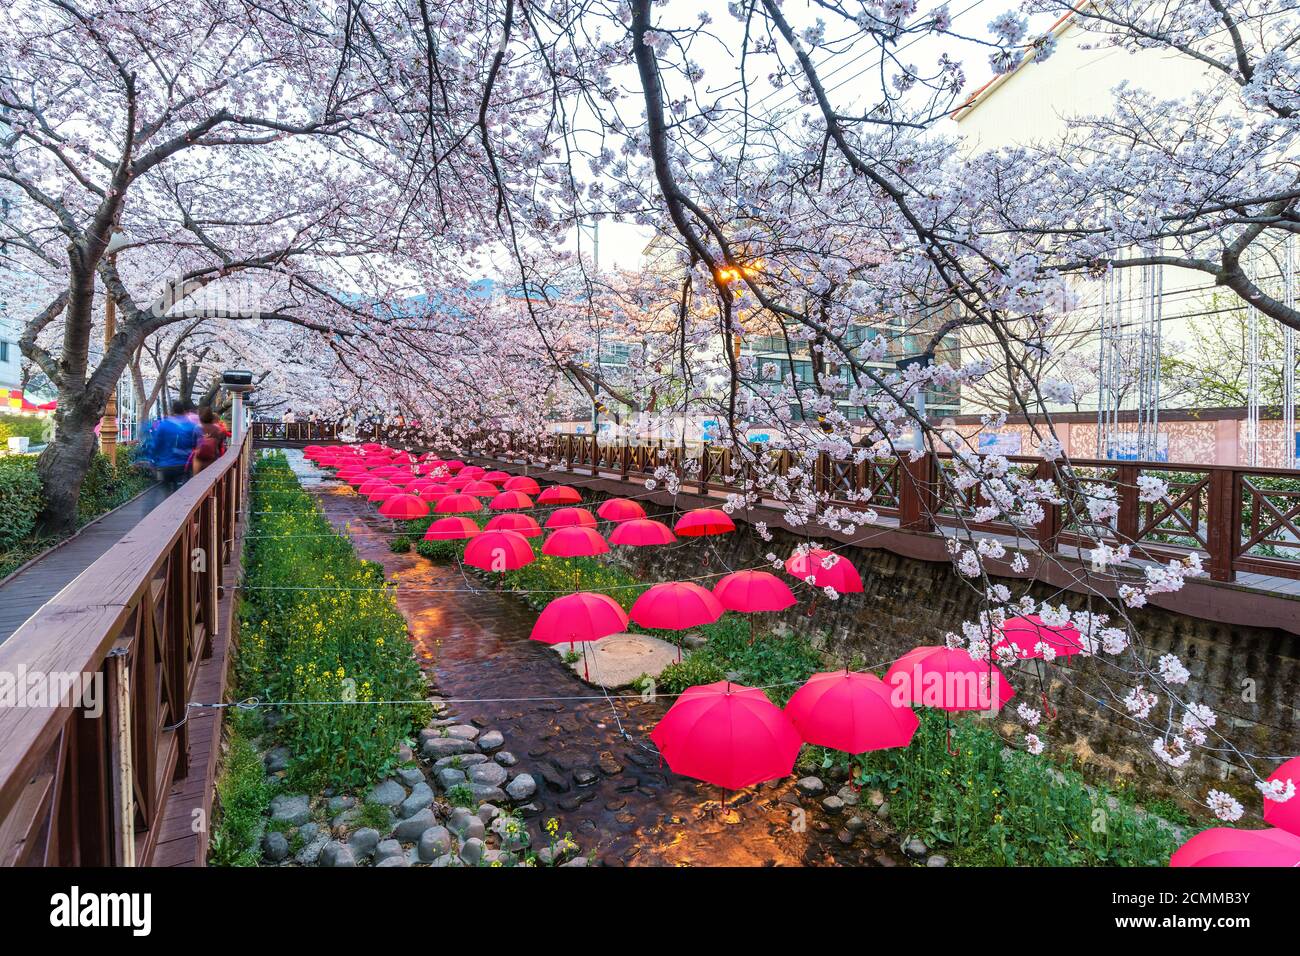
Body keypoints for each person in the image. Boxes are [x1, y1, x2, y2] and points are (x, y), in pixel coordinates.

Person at [153, 400, 202, 489]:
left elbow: (157, 444)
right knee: (184, 491)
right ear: (183, 410)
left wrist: (156, 459)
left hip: (166, 464)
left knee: (166, 492)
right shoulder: (191, 425)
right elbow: (197, 444)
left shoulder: (164, 424)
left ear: (173, 410)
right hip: (185, 464)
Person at [192, 406, 230, 473]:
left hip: (199, 458)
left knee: (197, 479)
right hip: (213, 457)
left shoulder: (197, 428)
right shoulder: (217, 429)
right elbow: (220, 443)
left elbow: (193, 443)